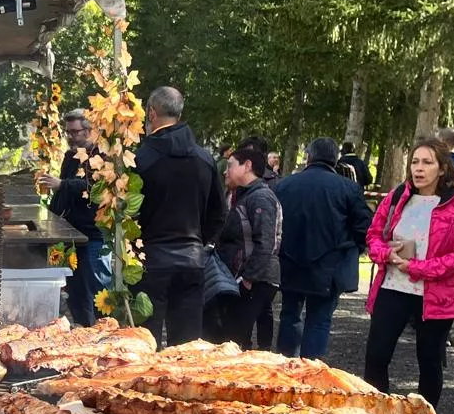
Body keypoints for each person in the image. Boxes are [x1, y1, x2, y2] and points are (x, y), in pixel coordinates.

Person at [362, 139, 454, 414]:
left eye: (427, 162)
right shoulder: (398, 196)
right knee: (376, 355)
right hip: (393, 287)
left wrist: (419, 267)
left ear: (442, 168)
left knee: (429, 361)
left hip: (435, 295)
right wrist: (385, 253)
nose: (419, 168)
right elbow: (373, 236)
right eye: (415, 162)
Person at [132, 86, 228, 347]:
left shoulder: (140, 160)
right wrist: (201, 242)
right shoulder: (204, 159)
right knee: (186, 344)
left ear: (151, 113)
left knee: (144, 342)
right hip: (192, 259)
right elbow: (219, 212)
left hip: (150, 259)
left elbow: (127, 212)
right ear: (179, 114)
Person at [275, 137, 373, 360]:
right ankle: (311, 369)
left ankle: (285, 365)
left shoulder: (284, 185)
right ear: (335, 159)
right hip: (329, 265)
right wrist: (354, 248)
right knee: (319, 320)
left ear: (309, 157)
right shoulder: (348, 188)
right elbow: (364, 226)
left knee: (289, 315)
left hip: (290, 261)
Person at [39, 109, 113, 325]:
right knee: (75, 292)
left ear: (89, 131)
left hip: (94, 235)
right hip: (69, 235)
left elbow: (96, 188)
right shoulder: (70, 157)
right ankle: (83, 330)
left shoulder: (102, 155)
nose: (71, 137)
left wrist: (62, 184)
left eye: (75, 132)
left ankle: (105, 332)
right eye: (68, 132)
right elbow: (63, 193)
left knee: (99, 292)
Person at [214, 144, 282, 348]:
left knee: (233, 340)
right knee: (233, 339)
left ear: (247, 166)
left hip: (255, 281)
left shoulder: (261, 197)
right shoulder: (242, 195)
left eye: (231, 165)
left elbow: (266, 241)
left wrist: (248, 279)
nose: (225, 171)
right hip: (242, 279)